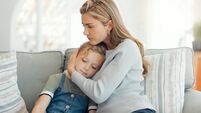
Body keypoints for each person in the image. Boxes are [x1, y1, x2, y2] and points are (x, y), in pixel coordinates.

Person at [67, 0, 156, 113]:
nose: (85, 32)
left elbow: (99, 94)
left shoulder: (128, 48)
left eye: (90, 26)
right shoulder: (99, 55)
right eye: (84, 26)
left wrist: (72, 72)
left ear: (109, 25)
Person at [32, 42, 106, 113]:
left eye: (93, 67)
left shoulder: (92, 88)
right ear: (74, 58)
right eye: (84, 60)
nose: (87, 68)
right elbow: (40, 107)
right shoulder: (56, 79)